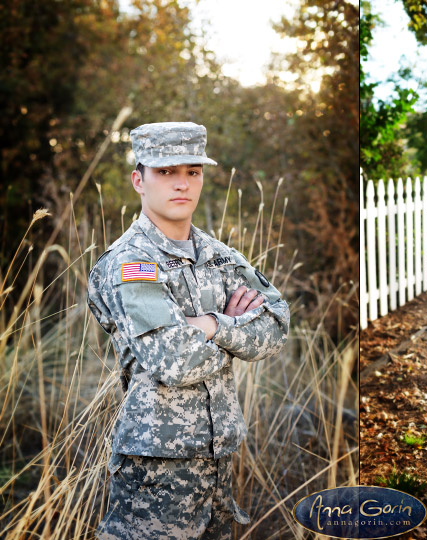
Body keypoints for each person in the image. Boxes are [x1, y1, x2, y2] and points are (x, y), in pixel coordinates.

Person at [87, 122, 290, 539]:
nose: (182, 184)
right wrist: (237, 331)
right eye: (165, 172)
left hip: (217, 459)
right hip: (156, 468)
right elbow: (174, 361)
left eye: (192, 171)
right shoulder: (131, 263)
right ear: (138, 180)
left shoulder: (219, 256)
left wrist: (214, 324)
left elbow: (277, 324)